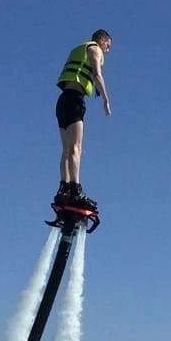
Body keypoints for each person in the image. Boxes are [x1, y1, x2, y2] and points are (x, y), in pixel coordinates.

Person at [53, 30, 113, 213]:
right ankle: (75, 190)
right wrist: (105, 99)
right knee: (76, 149)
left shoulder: (78, 49)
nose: (107, 50)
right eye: (108, 45)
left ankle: (63, 189)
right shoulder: (95, 49)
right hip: (74, 100)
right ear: (102, 40)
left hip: (62, 101)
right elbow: (96, 74)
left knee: (66, 149)